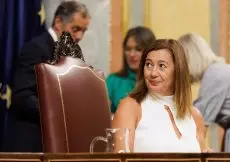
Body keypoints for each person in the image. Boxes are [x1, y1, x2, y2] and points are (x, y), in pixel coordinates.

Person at [11, 1, 91, 152]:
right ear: (59, 22)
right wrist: (58, 111)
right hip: (32, 144)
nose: (80, 36)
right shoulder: (36, 49)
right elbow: (22, 97)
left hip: (59, 144)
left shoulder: (72, 54)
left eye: (83, 31)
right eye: (75, 29)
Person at [112, 39, 211, 153]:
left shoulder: (195, 115)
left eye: (161, 66)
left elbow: (204, 160)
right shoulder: (130, 107)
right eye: (148, 64)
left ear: (178, 71)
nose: (153, 73)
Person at [106, 26, 155, 113]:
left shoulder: (157, 81)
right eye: (128, 49)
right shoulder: (113, 81)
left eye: (138, 49)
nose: (132, 54)